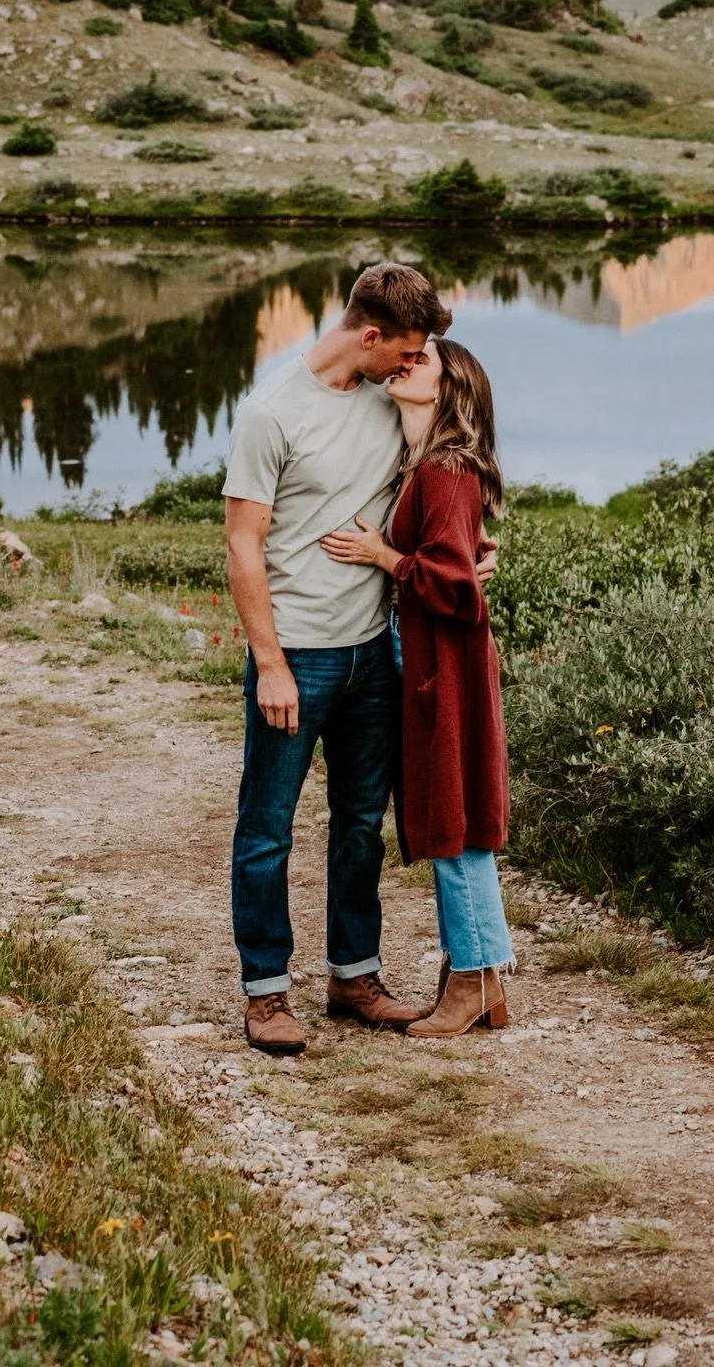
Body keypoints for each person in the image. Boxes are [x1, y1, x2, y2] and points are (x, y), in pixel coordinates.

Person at [224, 262, 482, 1055]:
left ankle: (353, 976)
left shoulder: (392, 399)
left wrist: (466, 553)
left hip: (375, 652)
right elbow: (242, 544)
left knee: (361, 825)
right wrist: (269, 662)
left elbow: (444, 474)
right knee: (267, 827)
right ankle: (266, 991)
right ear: (370, 335)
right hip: (297, 656)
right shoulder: (271, 412)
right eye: (405, 351)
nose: (413, 365)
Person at [321, 337, 513, 1037]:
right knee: (449, 809)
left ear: (449, 388)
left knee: (451, 816)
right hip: (435, 652)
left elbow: (455, 587)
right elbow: (459, 558)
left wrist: (383, 556)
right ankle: (481, 977)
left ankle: (473, 979)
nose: (405, 364)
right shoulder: (427, 465)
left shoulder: (444, 468)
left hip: (443, 656)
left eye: (421, 361)